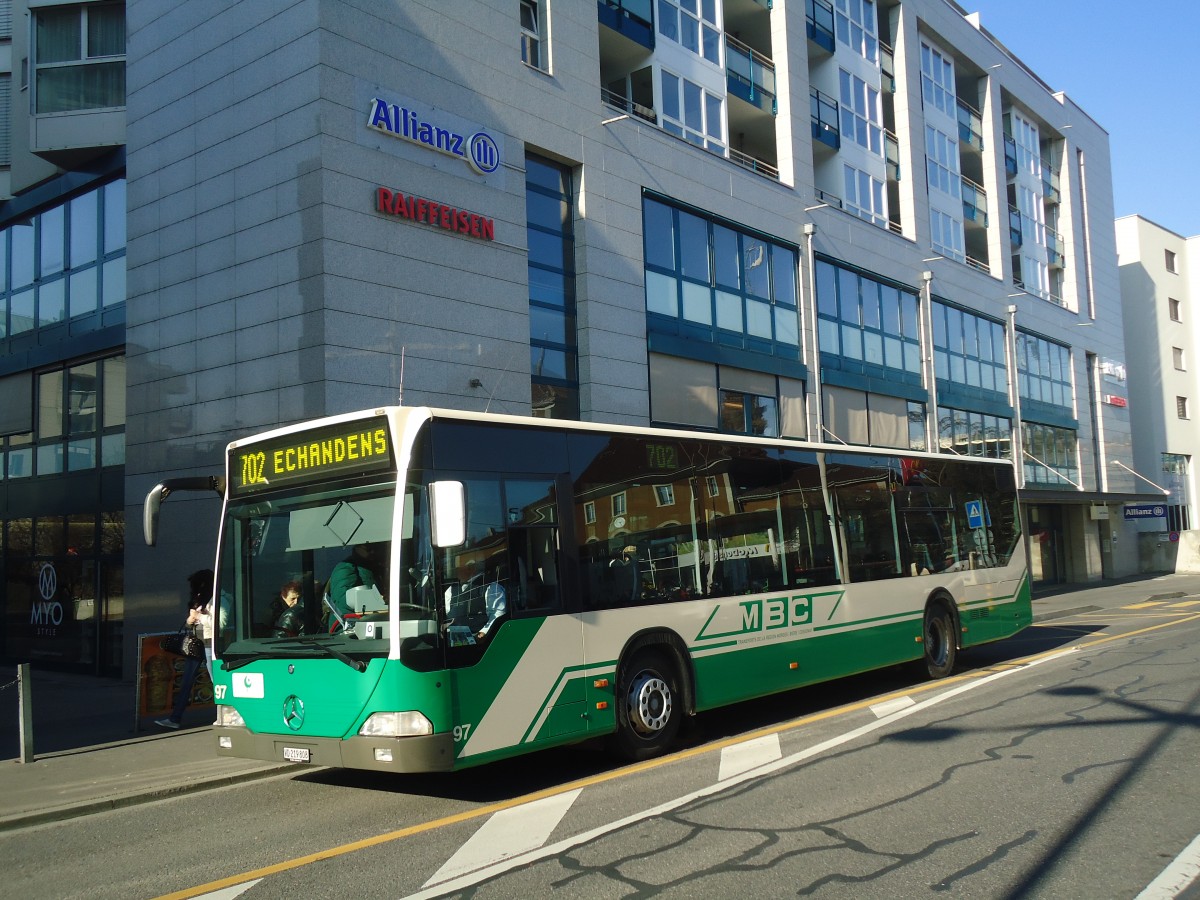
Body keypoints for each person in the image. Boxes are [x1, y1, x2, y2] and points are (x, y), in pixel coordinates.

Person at [155, 569, 213, 730]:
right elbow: (190, 623)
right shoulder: (202, 598)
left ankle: (176, 718)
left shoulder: (213, 599)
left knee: (212, 681)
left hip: (207, 642)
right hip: (199, 642)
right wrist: (191, 619)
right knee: (189, 681)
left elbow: (217, 622)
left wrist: (198, 617)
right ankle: (175, 717)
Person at [328, 542, 387, 615]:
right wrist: (374, 601)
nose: (373, 552)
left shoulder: (375, 568)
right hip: (348, 623)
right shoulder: (345, 567)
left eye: (376, 548)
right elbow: (343, 600)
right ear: (357, 547)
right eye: (368, 549)